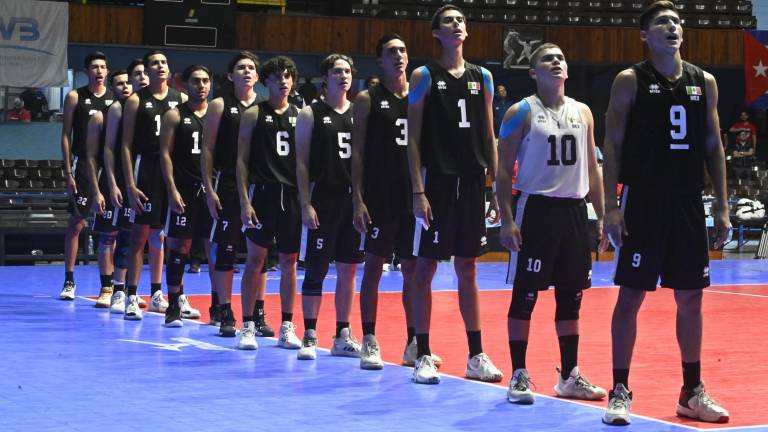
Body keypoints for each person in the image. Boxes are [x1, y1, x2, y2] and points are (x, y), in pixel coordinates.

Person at [601, 1, 730, 425]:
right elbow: (612, 146)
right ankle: (620, 389)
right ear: (645, 35)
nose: (672, 26)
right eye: (662, 22)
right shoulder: (630, 80)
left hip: (688, 202)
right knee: (631, 295)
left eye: (676, 21)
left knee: (691, 297)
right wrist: (611, 207)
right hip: (643, 200)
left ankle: (691, 392)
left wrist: (722, 205)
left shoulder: (704, 82)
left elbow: (713, 145)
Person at [497, 44, 607, 404]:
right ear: (533, 72)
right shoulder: (520, 111)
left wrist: (602, 215)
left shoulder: (583, 112)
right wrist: (507, 218)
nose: (557, 61)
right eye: (548, 58)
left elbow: (593, 169)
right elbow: (502, 169)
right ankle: (518, 374)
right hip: (536, 210)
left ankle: (569, 375)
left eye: (561, 57)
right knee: (525, 295)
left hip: (574, 211)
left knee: (571, 297)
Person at [406, 5, 503, 384]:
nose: (457, 24)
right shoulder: (424, 76)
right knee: (426, 267)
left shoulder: (484, 77)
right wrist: (418, 190)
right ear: (436, 32)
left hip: (472, 182)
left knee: (468, 267)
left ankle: (476, 355)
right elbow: (413, 139)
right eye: (448, 20)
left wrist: (497, 188)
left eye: (461, 19)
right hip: (437, 182)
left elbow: (490, 136)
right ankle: (422, 353)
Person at [351, 34, 442, 370]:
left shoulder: (421, 97)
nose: (399, 56)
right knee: (373, 266)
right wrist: (357, 198)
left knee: (412, 269)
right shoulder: (368, 99)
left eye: (403, 50)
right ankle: (369, 339)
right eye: (392, 51)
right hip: (379, 195)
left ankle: (413, 343)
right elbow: (357, 153)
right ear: (380, 60)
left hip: (413, 194)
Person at [294, 53, 363, 361]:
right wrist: (305, 203)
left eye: (347, 71)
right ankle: (309, 334)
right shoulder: (311, 113)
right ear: (325, 78)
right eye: (337, 71)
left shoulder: (359, 112)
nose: (343, 76)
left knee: (349, 268)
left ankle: (342, 334)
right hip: (322, 197)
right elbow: (301, 162)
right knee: (316, 268)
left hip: (352, 200)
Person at [202, 51, 272, 337]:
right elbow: (207, 149)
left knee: (261, 252)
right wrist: (209, 189)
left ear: (258, 75)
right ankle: (225, 310)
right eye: (241, 67)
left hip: (261, 185)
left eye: (251, 67)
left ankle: (257, 312)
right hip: (229, 184)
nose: (247, 71)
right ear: (230, 75)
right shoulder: (220, 105)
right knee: (226, 248)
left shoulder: (265, 106)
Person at [236, 55, 303, 350]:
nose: (283, 81)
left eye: (287, 76)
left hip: (292, 196)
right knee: (255, 260)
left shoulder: (302, 115)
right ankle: (247, 325)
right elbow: (241, 161)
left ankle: (287, 326)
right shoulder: (254, 114)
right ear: (266, 82)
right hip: (261, 194)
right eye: (277, 77)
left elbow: (305, 162)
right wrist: (244, 201)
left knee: (289, 262)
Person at [121, 50, 187, 320]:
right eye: (154, 63)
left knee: (172, 238)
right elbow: (125, 145)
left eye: (164, 62)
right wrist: (129, 184)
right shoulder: (136, 100)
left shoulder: (181, 99)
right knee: (139, 236)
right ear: (146, 70)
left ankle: (167, 295)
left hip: (172, 171)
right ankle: (131, 296)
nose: (160, 66)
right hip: (146, 169)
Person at [158, 65, 214, 327]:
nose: (201, 85)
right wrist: (171, 189)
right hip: (184, 189)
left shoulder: (217, 114)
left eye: (205, 81)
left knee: (214, 249)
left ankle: (219, 307)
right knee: (179, 248)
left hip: (211, 190)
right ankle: (173, 305)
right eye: (195, 81)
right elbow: (165, 155)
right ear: (185, 84)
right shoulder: (174, 115)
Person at [58, 52, 113, 301]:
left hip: (107, 167)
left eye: (103, 67)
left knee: (110, 228)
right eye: (94, 67)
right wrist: (68, 172)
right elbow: (65, 135)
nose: (99, 71)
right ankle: (69, 280)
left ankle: (110, 285)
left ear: (107, 71)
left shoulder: (115, 99)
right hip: (81, 165)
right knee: (77, 223)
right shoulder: (75, 96)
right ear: (86, 71)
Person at [101, 59, 150, 313]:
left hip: (148, 180)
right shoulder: (117, 109)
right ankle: (116, 289)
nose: (142, 78)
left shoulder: (153, 107)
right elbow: (109, 149)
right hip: (123, 180)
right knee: (123, 236)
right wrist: (113, 184)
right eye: (137, 74)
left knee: (144, 239)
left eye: (144, 73)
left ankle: (134, 289)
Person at [84, 69, 131, 309]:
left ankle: (124, 290)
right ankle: (106, 287)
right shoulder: (100, 117)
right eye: (120, 84)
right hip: (107, 182)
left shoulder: (138, 116)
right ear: (112, 89)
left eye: (128, 82)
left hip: (131, 182)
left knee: (129, 238)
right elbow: (91, 158)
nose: (125, 87)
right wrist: (96, 192)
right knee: (107, 237)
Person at [728, 111, 757, 179]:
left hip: (748, 145)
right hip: (738, 145)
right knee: (737, 161)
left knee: (747, 161)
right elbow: (730, 130)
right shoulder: (738, 124)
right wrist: (741, 129)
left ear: (747, 116)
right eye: (742, 115)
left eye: (745, 115)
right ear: (741, 117)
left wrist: (754, 149)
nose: (743, 116)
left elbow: (754, 137)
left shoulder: (751, 126)